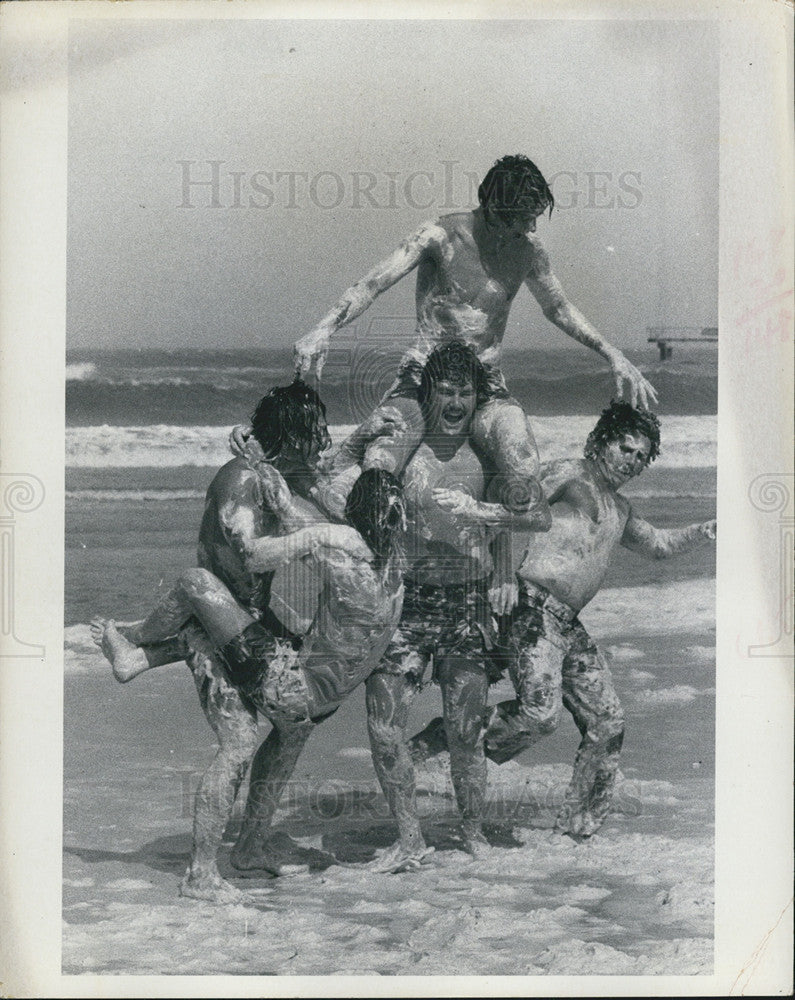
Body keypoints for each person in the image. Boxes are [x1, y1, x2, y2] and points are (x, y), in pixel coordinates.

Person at [92, 381, 420, 901]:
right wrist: (356, 444)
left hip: (251, 635)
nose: (322, 443)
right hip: (273, 654)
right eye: (315, 432)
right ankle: (229, 855)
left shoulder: (325, 530)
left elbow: (302, 500)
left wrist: (283, 480)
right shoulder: (390, 563)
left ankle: (139, 653)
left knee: (203, 612)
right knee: (259, 731)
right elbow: (257, 546)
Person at [412, 400, 717, 841]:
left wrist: (703, 533)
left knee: (608, 721)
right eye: (624, 448)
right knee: (539, 714)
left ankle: (577, 826)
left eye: (639, 456)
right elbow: (512, 507)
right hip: (530, 609)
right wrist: (499, 574)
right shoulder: (571, 474)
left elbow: (660, 546)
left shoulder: (622, 509)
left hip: (567, 624)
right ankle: (447, 737)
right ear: (600, 442)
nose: (630, 461)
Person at [292, 153, 658, 507]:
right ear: (497, 210)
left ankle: (496, 564)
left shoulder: (527, 251)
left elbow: (558, 307)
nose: (531, 228)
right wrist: (323, 330)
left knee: (522, 462)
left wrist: (613, 354)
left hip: (486, 384)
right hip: (423, 378)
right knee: (380, 462)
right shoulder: (440, 235)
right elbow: (373, 284)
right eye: (524, 218)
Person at [356, 341, 551, 860]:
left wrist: (504, 570)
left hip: (466, 607)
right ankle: (409, 838)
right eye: (446, 390)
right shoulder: (406, 453)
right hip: (407, 605)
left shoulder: (487, 456)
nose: (457, 401)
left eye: (465, 391)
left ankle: (473, 830)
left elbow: (523, 514)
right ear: (429, 393)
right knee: (384, 724)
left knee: (465, 730)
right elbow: (354, 488)